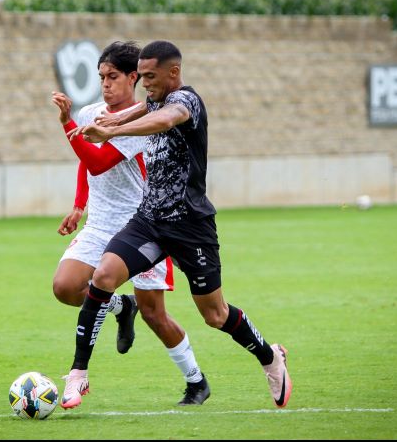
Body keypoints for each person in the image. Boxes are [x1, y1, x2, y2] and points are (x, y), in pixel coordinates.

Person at [62, 40, 292, 410]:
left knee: (214, 314)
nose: (144, 83)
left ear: (174, 72)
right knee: (104, 276)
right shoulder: (153, 99)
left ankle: (270, 356)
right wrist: (115, 119)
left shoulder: (187, 101)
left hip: (190, 225)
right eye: (141, 75)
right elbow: (144, 108)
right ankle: (78, 374)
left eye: (150, 76)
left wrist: (114, 131)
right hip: (149, 220)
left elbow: (164, 118)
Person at [52, 41, 210, 409]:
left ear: (133, 78)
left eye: (113, 77)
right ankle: (122, 308)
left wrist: (66, 123)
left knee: (155, 313)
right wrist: (79, 205)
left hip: (142, 224)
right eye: (101, 77)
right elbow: (84, 159)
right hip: (101, 222)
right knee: (65, 287)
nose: (105, 84)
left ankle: (196, 380)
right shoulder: (94, 112)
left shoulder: (141, 126)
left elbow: (97, 161)